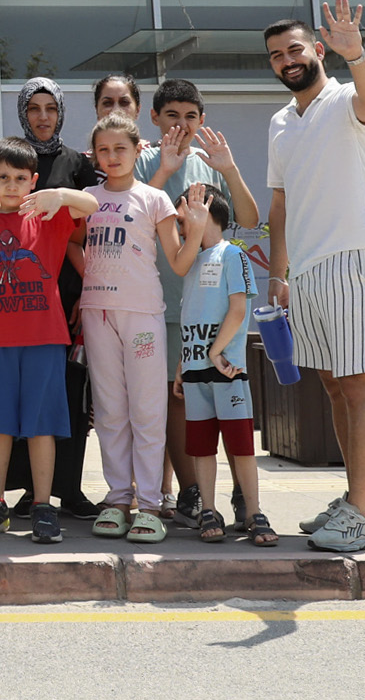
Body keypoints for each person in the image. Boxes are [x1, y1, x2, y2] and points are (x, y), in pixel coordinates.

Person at [264, 0, 365, 556]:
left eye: (295, 49)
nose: (287, 60)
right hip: (309, 269)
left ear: (318, 50)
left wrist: (356, 54)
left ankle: (360, 515)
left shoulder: (346, 99)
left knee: (359, 382)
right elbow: (279, 204)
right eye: (277, 55)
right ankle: (360, 501)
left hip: (356, 257)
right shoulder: (280, 122)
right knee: (336, 385)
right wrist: (279, 273)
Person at [0, 140, 97, 542]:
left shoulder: (48, 214)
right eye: (3, 177)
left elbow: (92, 205)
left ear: (33, 181)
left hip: (45, 339)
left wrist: (60, 194)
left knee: (41, 425)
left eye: (20, 178)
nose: (12, 185)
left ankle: (43, 505)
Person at [139, 78, 261, 527]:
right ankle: (192, 492)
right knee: (181, 399)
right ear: (154, 118)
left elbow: (249, 219)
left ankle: (244, 495)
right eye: (172, 115)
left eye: (191, 116)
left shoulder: (211, 164)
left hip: (221, 312)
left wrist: (229, 169)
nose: (182, 124)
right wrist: (163, 171)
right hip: (167, 304)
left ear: (202, 120)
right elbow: (134, 216)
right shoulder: (144, 160)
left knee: (230, 401)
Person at [80, 111, 184, 544]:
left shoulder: (154, 198)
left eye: (120, 148)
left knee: (147, 409)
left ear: (138, 150)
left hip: (142, 314)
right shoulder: (86, 197)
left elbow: (178, 261)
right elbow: (71, 244)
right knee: (109, 411)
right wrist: (90, 278)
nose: (112, 156)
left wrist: (197, 227)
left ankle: (152, 504)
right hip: (97, 313)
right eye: (103, 150)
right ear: (93, 154)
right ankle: (119, 498)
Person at [166, 183, 276, 546]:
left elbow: (239, 309)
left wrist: (215, 352)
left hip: (228, 371)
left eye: (184, 219)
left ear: (207, 211)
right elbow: (191, 315)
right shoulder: (191, 261)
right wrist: (182, 364)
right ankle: (209, 510)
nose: (181, 228)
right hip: (195, 373)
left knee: (241, 446)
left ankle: (255, 511)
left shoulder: (233, 255)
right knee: (201, 448)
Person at [16, 77, 100, 521]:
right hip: (22, 295)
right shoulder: (14, 157)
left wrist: (86, 292)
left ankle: (69, 488)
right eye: (34, 108)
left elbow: (94, 227)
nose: (43, 116)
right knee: (28, 394)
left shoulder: (77, 164)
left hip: (69, 295)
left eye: (51, 108)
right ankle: (31, 490)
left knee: (70, 393)